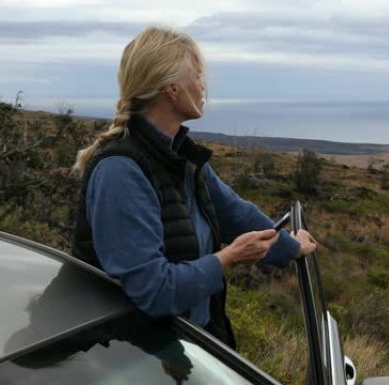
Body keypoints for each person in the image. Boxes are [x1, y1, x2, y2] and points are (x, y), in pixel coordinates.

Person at [71, 26, 318, 349]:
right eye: (198, 77)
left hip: (182, 343)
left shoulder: (180, 156)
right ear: (171, 89)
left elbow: (235, 212)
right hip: (132, 355)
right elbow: (153, 291)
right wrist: (228, 257)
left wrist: (291, 247)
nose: (204, 87)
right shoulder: (120, 170)